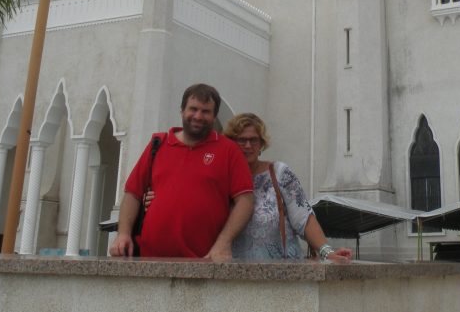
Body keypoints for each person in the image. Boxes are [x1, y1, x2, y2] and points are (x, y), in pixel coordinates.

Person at [149, 112, 352, 262]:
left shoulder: (279, 173)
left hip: (281, 274)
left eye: (253, 140)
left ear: (261, 143)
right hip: (232, 274)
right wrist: (156, 199)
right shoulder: (220, 178)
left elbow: (304, 218)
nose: (248, 146)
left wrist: (327, 252)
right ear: (230, 144)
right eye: (241, 140)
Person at [109, 83, 253, 260]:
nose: (198, 116)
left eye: (206, 111)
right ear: (182, 111)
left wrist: (223, 242)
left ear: (214, 116)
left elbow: (245, 201)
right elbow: (133, 193)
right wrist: (123, 234)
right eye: (193, 109)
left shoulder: (228, 150)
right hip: (150, 259)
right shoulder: (158, 143)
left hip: (203, 261)